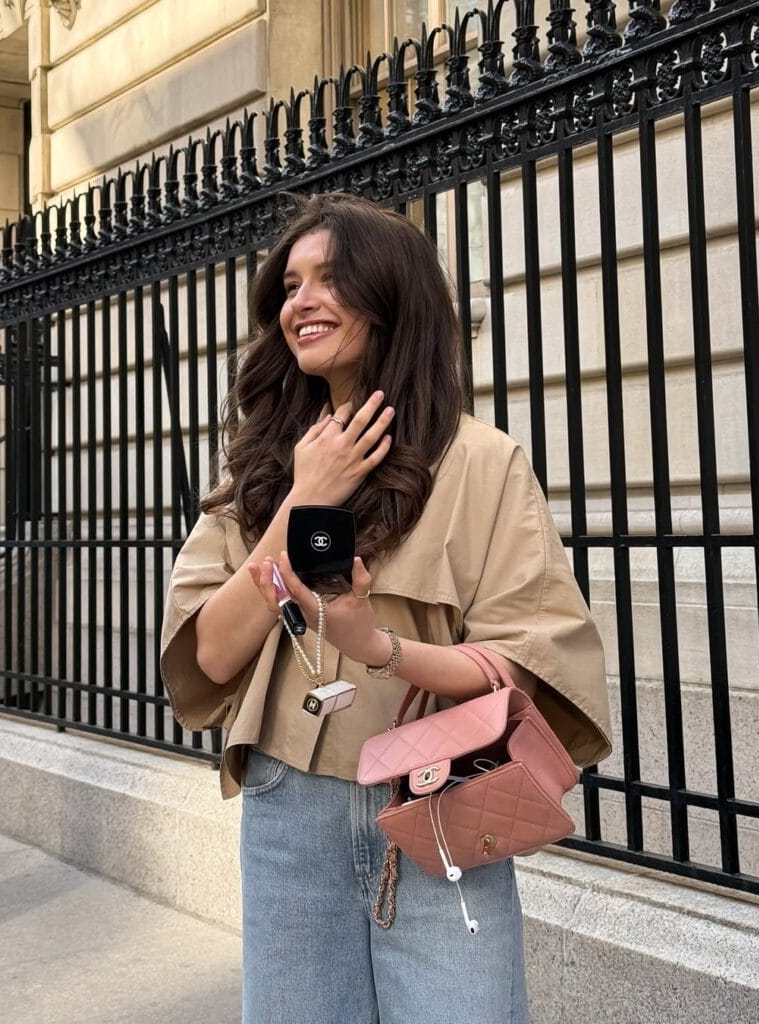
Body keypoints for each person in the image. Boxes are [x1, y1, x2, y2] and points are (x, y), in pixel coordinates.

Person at [160, 193, 612, 1024]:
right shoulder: (262, 470)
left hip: (440, 802)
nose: (302, 301)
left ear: (390, 295)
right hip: (289, 810)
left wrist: (381, 648)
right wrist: (306, 499)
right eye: (290, 285)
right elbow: (211, 658)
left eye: (331, 279)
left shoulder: (481, 462)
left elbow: (526, 661)